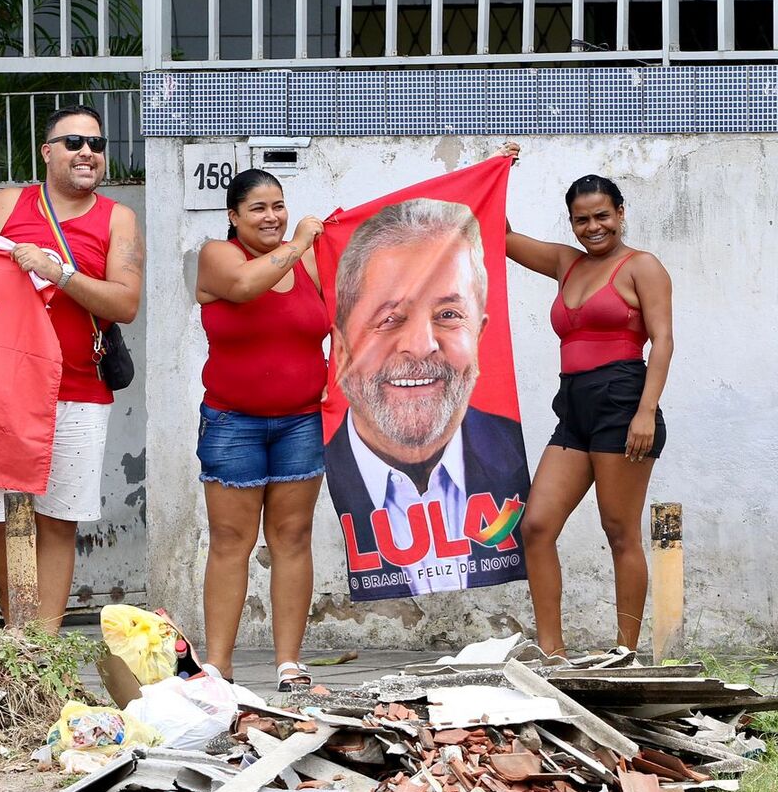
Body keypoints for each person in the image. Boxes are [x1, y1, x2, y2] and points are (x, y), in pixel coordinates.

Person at [0, 104, 144, 634]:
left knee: (58, 521)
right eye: (73, 142)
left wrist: (58, 272)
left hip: (79, 389)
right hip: (1, 390)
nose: (88, 151)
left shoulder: (118, 218)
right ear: (47, 152)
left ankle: (42, 647)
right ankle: (15, 629)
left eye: (96, 143)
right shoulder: (5, 205)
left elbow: (125, 303)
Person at [506, 165, 672, 656]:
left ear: (621, 213)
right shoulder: (567, 264)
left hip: (624, 401)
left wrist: (646, 411)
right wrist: (498, 171)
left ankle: (625, 653)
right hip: (573, 405)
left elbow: (662, 341)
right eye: (582, 220)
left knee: (619, 532)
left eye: (602, 215)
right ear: (572, 224)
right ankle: (552, 653)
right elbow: (502, 235)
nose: (593, 227)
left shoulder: (642, 266)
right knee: (535, 526)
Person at [326, 198, 529, 599]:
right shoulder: (309, 469)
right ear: (342, 347)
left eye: (449, 315)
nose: (421, 347)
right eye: (389, 319)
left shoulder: (511, 458)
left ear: (479, 336)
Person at [195, 168, 326, 691]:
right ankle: (218, 668)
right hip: (233, 422)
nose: (272, 216)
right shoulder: (218, 256)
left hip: (302, 421)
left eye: (279, 205)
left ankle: (289, 664)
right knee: (231, 540)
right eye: (258, 208)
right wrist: (298, 243)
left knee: (293, 538)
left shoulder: (310, 259)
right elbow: (248, 286)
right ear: (234, 216)